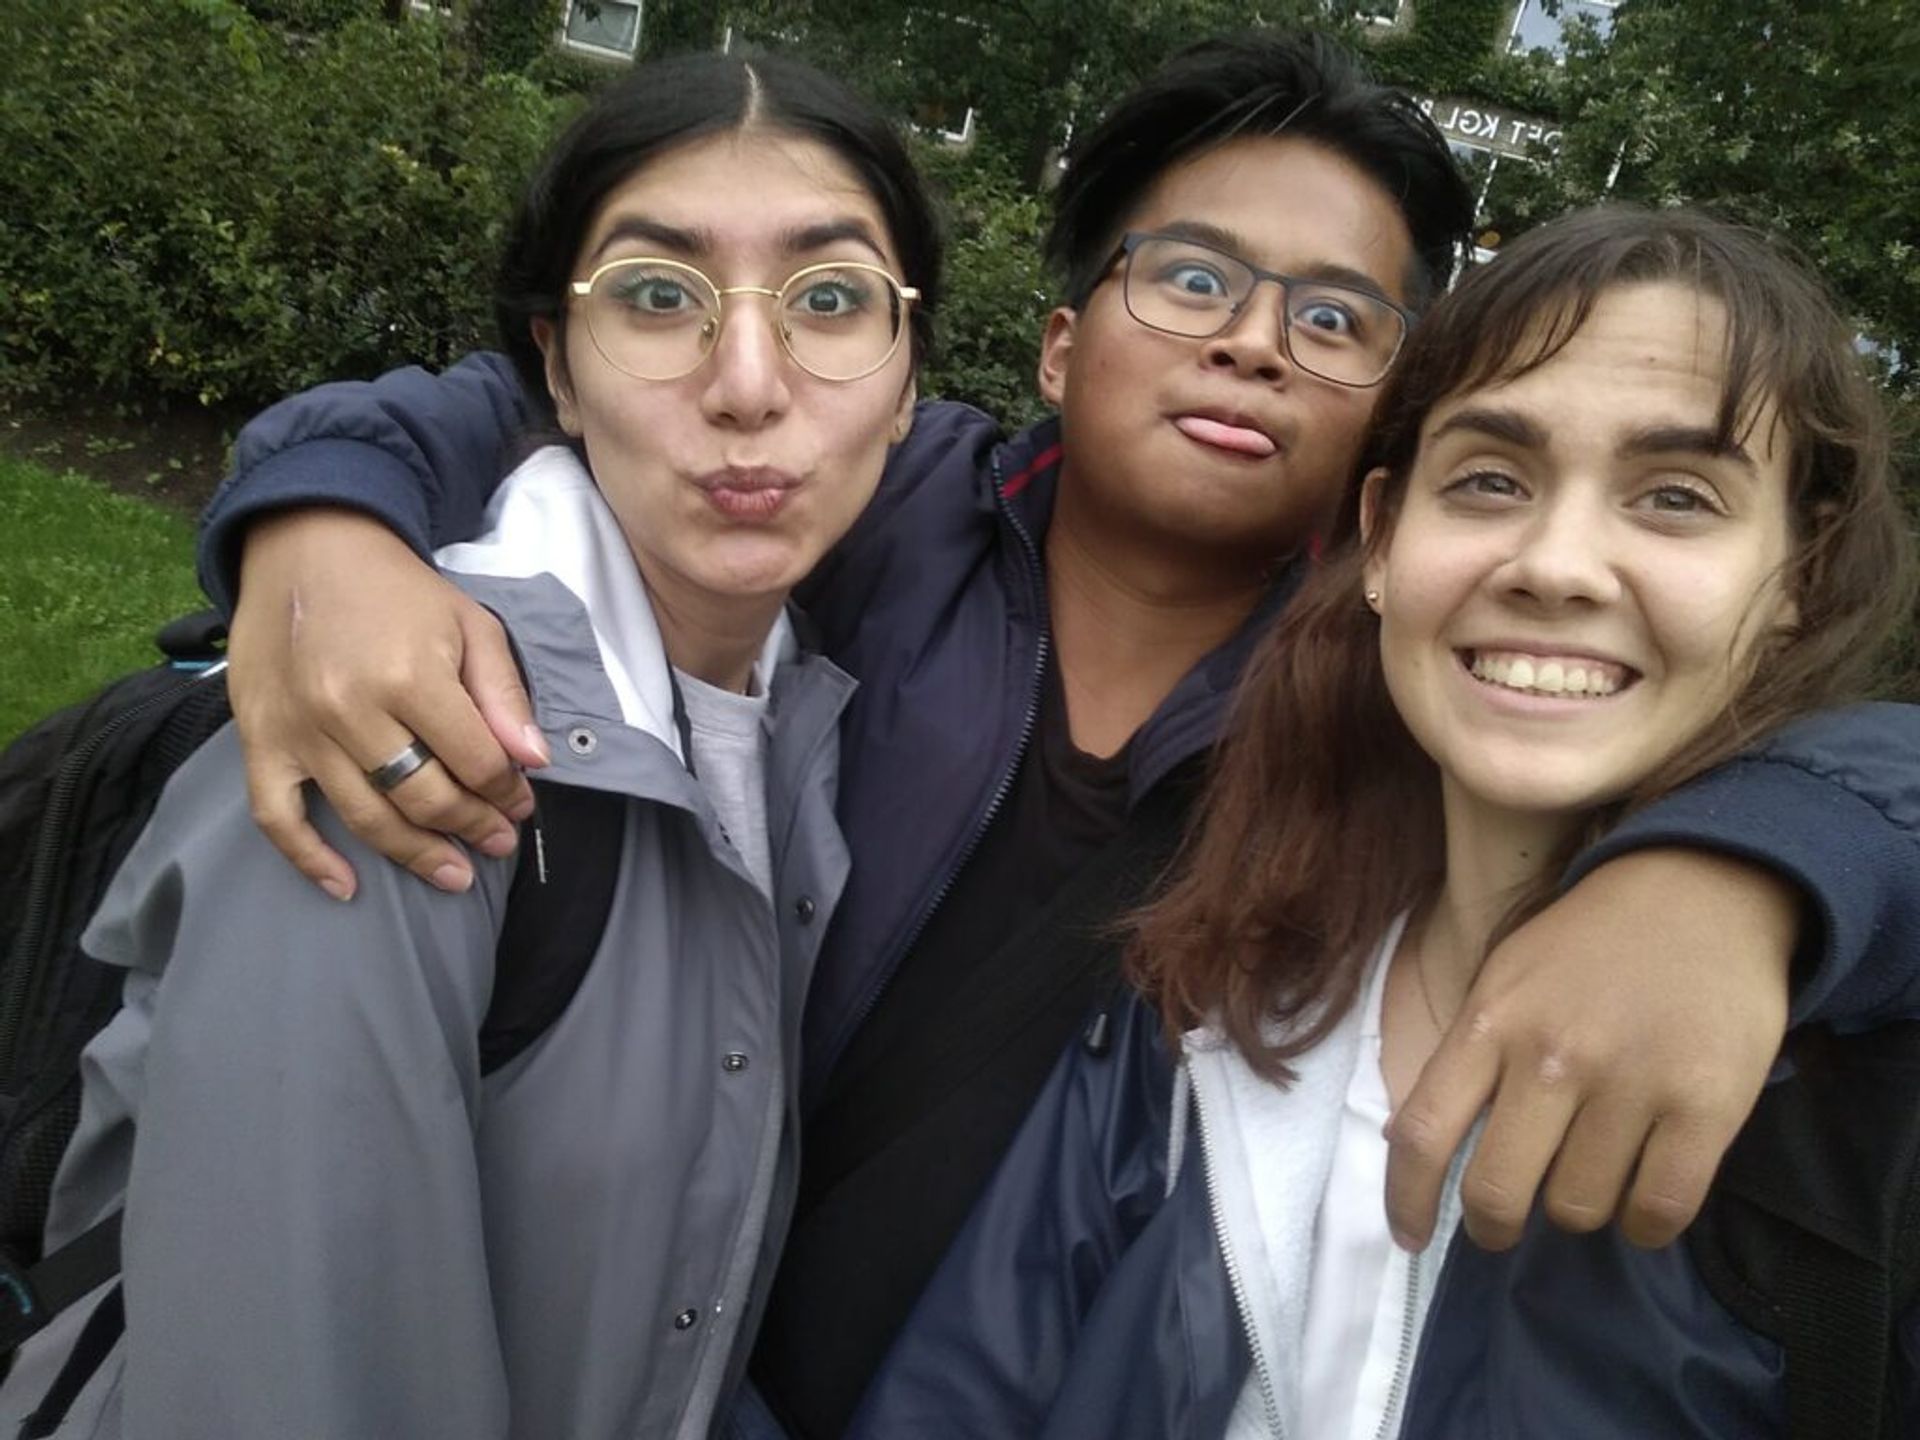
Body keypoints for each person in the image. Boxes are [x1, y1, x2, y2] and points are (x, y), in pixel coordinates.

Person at [191, 32, 1920, 1439]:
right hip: (642, 1352)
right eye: (1194, 278)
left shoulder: (1412, 695)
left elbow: (1837, 729)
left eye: (1335, 317)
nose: (1254, 341)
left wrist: (1739, 873)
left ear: (1387, 431)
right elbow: (539, 390)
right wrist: (321, 522)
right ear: (1063, 334)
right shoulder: (871, 511)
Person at [848, 205, 1920, 1440]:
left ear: (1799, 578)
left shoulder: (1860, 1112)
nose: (1556, 563)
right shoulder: (1203, 1001)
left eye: (1675, 497)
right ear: (1379, 539)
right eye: (1489, 480)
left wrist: (1763, 867)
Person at [0, 49, 939, 1439]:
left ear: (912, 382)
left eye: (832, 299)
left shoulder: (792, 720)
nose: (750, 382)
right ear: (554, 366)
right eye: (659, 297)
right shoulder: (399, 736)